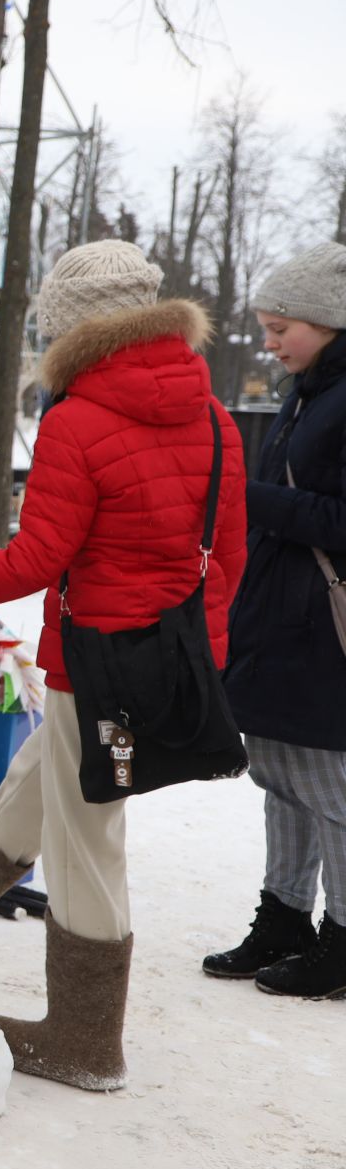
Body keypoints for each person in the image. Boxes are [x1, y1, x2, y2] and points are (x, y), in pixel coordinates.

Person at [0, 239, 247, 1090]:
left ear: (70, 328)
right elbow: (228, 558)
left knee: (87, 838)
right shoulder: (214, 418)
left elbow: (30, 562)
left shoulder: (78, 418)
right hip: (156, 665)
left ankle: (84, 1039)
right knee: (43, 779)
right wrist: (196, 661)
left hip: (100, 666)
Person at [208, 241, 346, 1000]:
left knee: (329, 785)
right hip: (280, 614)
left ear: (325, 322)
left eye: (279, 326)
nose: (268, 342)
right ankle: (285, 918)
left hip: (326, 626)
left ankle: (342, 940)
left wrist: (252, 499)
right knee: (281, 778)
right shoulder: (306, 390)